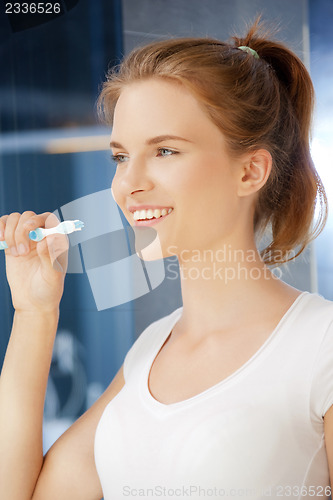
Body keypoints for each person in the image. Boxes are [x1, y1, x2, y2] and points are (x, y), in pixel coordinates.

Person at [0, 16, 332, 500]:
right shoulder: (148, 353)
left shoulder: (321, 346)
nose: (128, 184)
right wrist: (34, 314)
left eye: (166, 151)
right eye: (119, 156)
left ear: (250, 171)